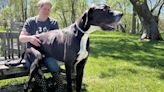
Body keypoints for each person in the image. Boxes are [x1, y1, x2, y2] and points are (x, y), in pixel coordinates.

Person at [19, 0, 63, 91]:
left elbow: (56, 40)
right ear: (39, 8)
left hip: (47, 53)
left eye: (49, 9)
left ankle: (60, 86)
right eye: (44, 9)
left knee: (53, 66)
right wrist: (30, 38)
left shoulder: (53, 23)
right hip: (32, 53)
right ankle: (44, 87)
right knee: (34, 67)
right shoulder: (30, 21)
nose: (47, 11)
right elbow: (21, 38)